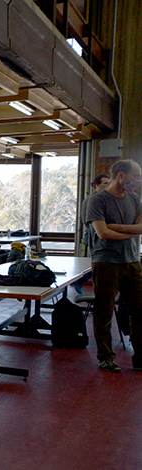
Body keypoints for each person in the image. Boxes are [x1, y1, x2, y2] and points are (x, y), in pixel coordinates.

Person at [84, 160, 142, 373]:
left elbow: (140, 227)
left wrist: (117, 228)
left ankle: (141, 357)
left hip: (132, 261)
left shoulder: (135, 198)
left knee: (139, 309)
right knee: (104, 311)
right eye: (135, 177)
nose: (138, 182)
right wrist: (131, 231)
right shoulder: (97, 200)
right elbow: (102, 234)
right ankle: (106, 357)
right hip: (106, 262)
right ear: (120, 175)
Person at [74, 173, 111, 294]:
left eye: (109, 183)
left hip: (106, 236)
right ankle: (80, 279)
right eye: (105, 183)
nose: (108, 186)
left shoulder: (109, 198)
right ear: (97, 185)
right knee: (97, 262)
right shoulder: (91, 200)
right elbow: (86, 221)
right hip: (92, 235)